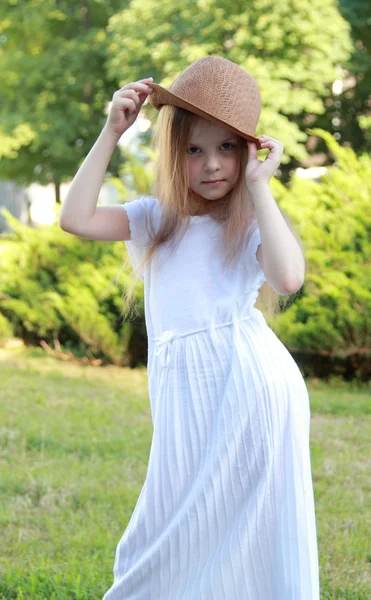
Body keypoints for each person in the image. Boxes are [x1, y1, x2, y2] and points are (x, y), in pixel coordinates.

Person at [59, 55, 320, 599]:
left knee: (250, 528)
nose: (211, 165)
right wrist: (112, 131)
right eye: (194, 149)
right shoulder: (156, 219)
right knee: (170, 524)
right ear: (176, 153)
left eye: (227, 147)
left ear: (249, 151)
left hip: (249, 388)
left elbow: (289, 277)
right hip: (185, 393)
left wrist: (261, 189)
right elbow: (76, 218)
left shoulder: (248, 224)